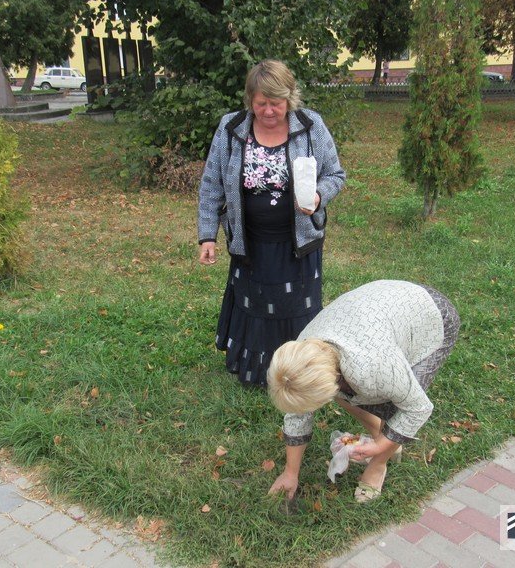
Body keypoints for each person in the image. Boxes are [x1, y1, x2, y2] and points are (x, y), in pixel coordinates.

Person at [197, 60, 346, 387]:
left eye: (275, 103)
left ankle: (301, 372)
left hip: (299, 243)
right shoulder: (231, 128)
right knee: (254, 303)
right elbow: (211, 184)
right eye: (261, 103)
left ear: (289, 98)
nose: (268, 111)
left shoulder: (311, 126)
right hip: (250, 242)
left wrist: (318, 196)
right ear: (250, 100)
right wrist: (207, 235)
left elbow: (335, 175)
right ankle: (256, 370)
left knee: (296, 306)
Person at [267, 280, 460, 502]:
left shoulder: (375, 368)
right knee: (348, 395)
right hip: (382, 308)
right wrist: (290, 473)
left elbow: (417, 408)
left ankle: (378, 466)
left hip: (431, 316)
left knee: (394, 406)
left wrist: (380, 446)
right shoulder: (302, 355)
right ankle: (386, 438)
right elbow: (298, 413)